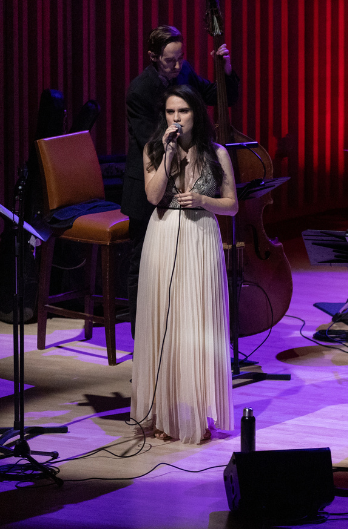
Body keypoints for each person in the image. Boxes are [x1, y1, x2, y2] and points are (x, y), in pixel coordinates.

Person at [130, 85, 238, 444]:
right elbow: (152, 195)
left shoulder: (217, 152)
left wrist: (205, 199)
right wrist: (168, 155)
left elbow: (233, 205)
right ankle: (163, 413)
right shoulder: (154, 149)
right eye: (171, 112)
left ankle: (195, 415)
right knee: (163, 323)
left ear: (196, 114)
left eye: (184, 112)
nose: (176, 118)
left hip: (201, 235)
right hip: (162, 234)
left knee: (195, 325)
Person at [122, 25, 239, 335]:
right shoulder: (139, 91)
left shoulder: (183, 70)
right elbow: (152, 140)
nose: (177, 66)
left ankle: (184, 334)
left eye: (180, 59)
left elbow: (216, 98)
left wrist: (224, 70)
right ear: (152, 57)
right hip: (152, 178)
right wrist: (181, 154)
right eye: (169, 61)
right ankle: (143, 338)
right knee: (142, 264)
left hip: (186, 175)